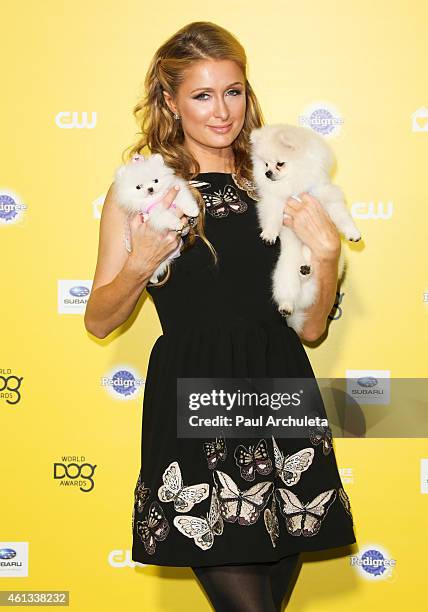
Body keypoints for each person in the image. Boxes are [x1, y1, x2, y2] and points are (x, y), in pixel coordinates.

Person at [84, 21, 356, 612]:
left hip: (280, 396)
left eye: (232, 91)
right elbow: (100, 320)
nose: (221, 111)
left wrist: (328, 255)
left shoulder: (280, 181)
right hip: (196, 400)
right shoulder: (143, 190)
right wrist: (141, 264)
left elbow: (310, 330)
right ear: (170, 101)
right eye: (202, 95)